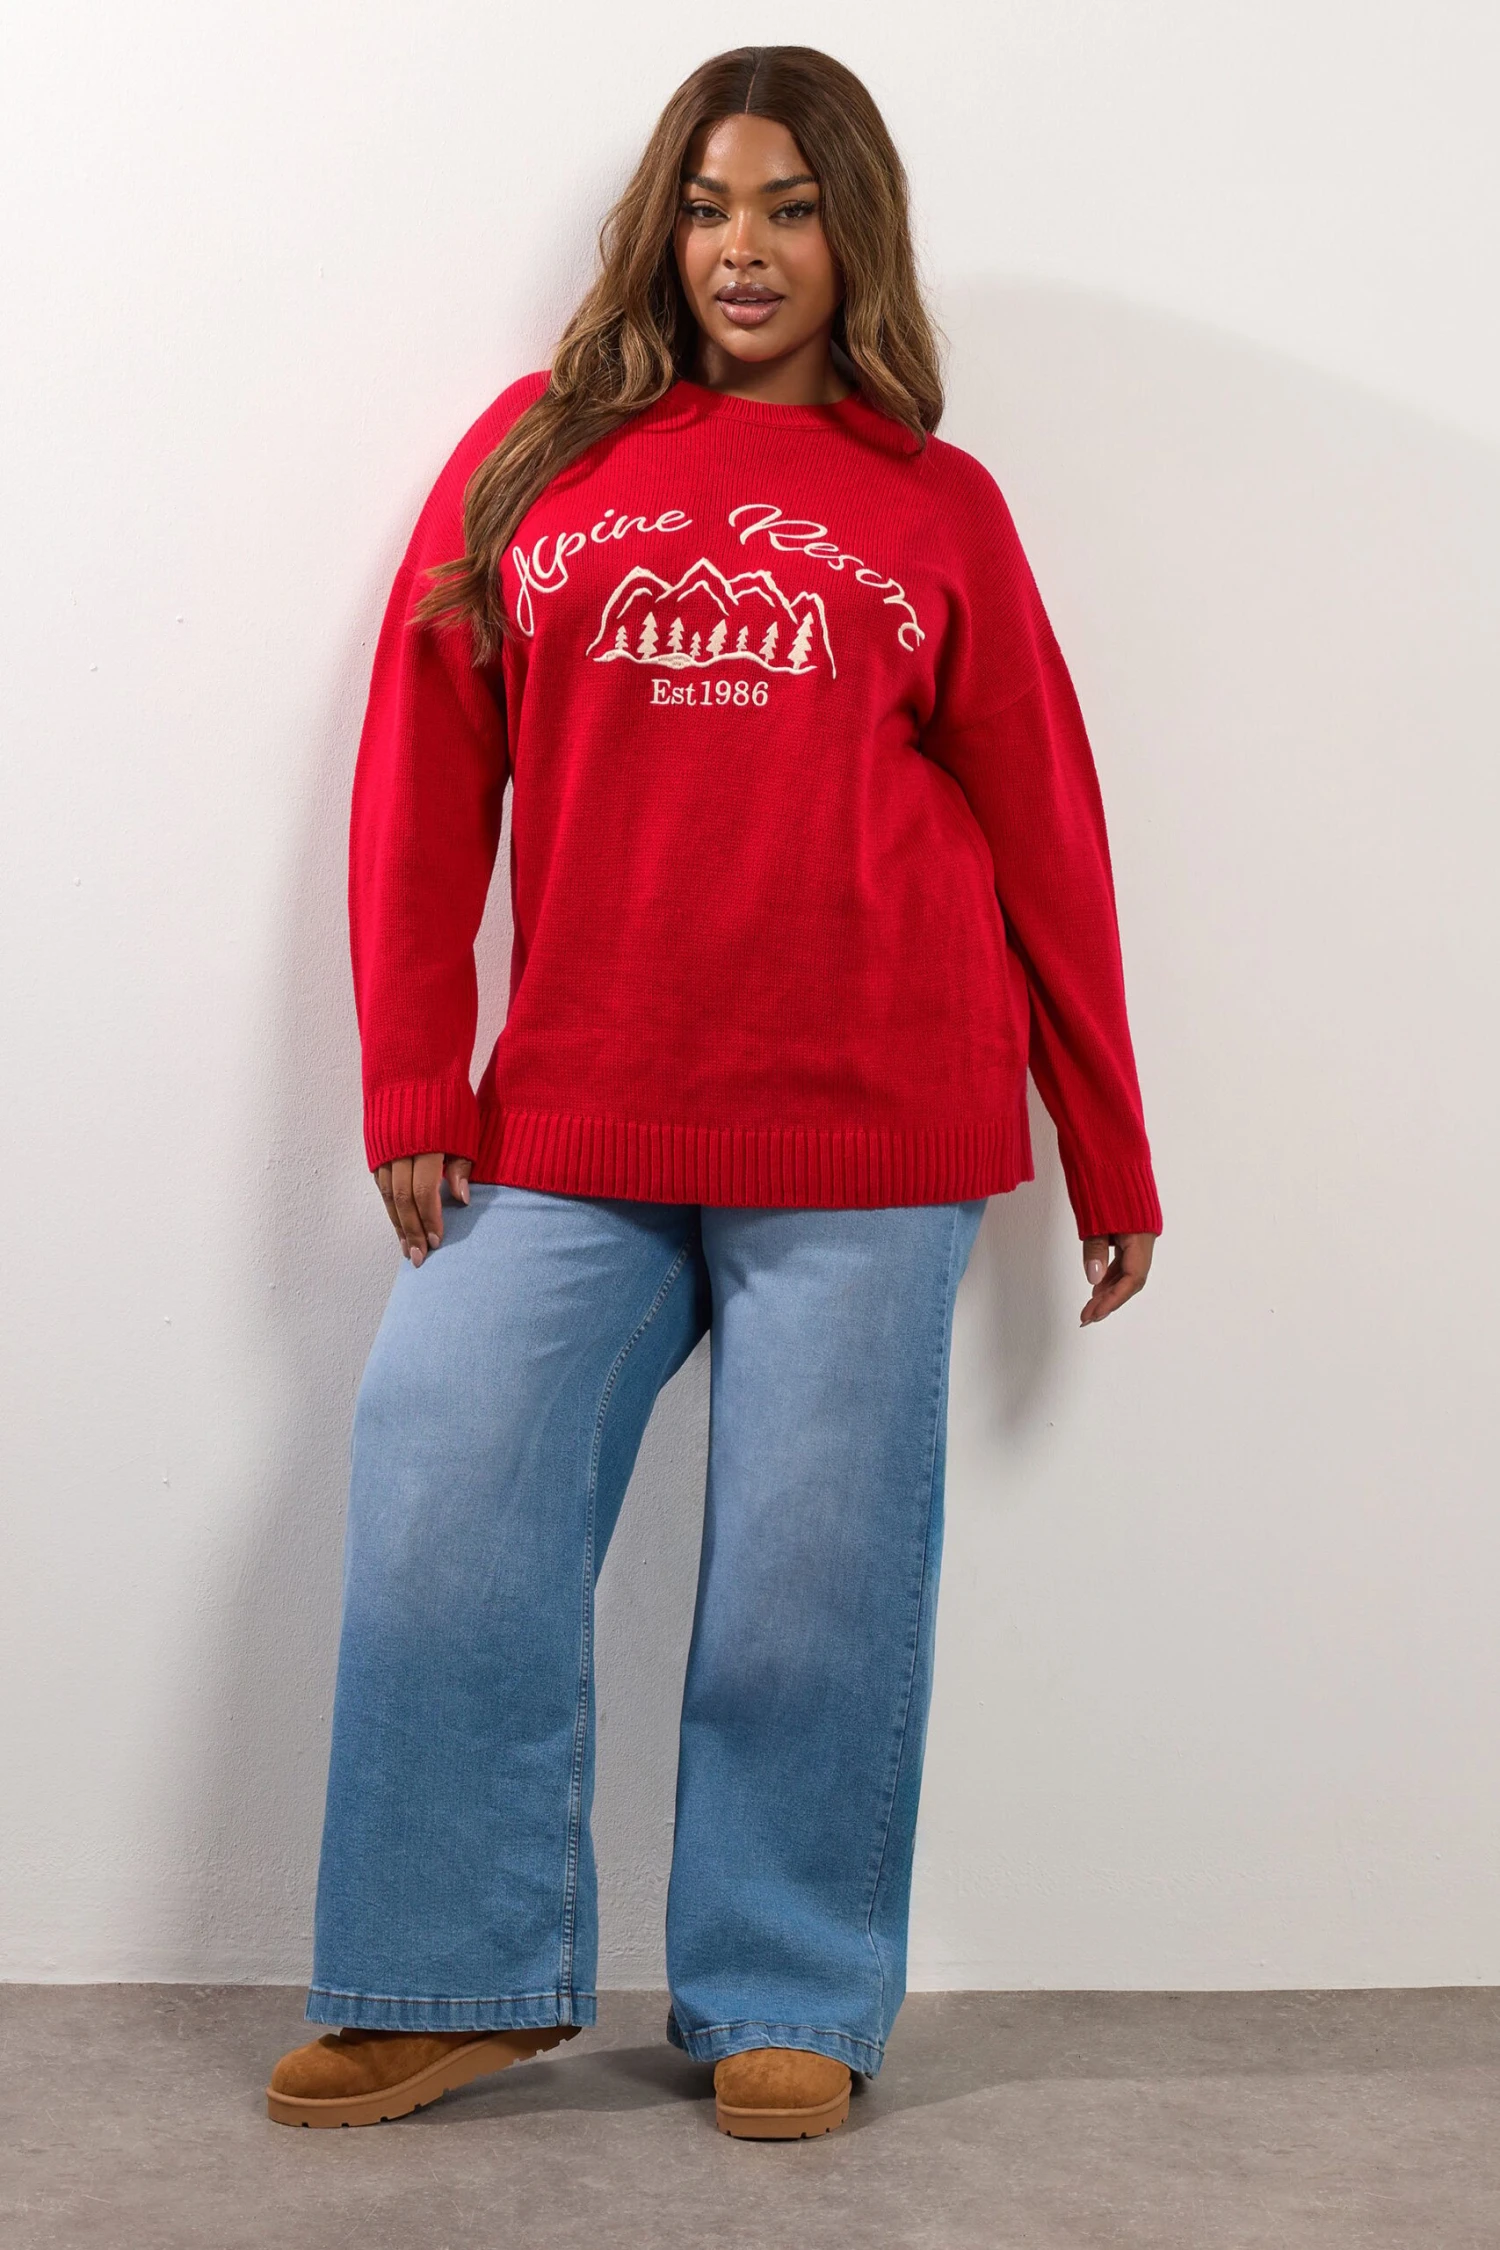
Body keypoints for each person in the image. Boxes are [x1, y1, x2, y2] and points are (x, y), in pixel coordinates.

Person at [266, 43, 1161, 2142]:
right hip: (577, 1108)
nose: (742, 250)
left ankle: (786, 1990)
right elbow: (426, 762)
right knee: (442, 1473)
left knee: (804, 1577)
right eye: (707, 205)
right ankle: (449, 1977)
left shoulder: (936, 502)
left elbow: (1047, 823)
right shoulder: (537, 456)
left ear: (857, 232)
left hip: (873, 1113)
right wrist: (412, 1066)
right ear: (661, 228)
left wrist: (1108, 1135)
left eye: (788, 207)